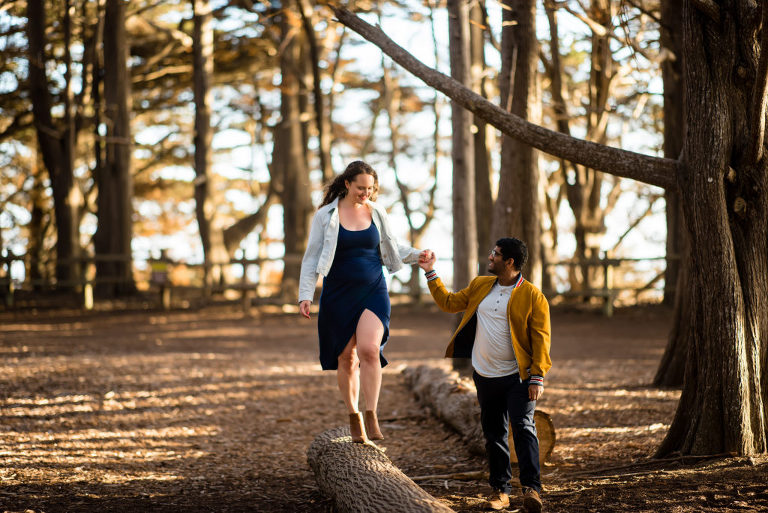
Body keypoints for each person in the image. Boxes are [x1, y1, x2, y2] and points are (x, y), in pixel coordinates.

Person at [298, 160, 433, 444]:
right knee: (346, 357)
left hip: (373, 288)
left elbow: (392, 247)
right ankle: (353, 414)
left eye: (370, 189)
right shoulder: (326, 215)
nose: (365, 194)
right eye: (361, 188)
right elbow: (311, 257)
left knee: (370, 351)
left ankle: (371, 412)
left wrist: (419, 254)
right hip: (338, 291)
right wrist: (305, 295)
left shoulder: (377, 211)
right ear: (347, 184)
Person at [418, 238, 551, 513]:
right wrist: (431, 272)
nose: (490, 257)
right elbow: (449, 302)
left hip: (518, 376)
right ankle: (501, 490)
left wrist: (538, 376)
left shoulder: (533, 296)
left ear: (509, 262)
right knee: (494, 434)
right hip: (485, 375)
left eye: (496, 254)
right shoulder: (481, 285)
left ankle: (532, 489)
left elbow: (541, 339)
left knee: (524, 429)